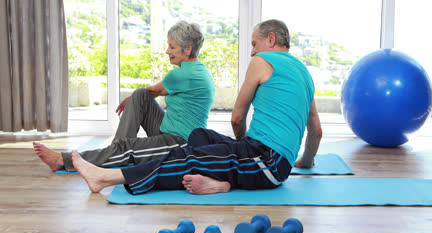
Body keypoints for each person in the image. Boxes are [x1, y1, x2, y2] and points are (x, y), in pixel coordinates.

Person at [71, 19, 322, 195]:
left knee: (187, 156)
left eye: (254, 44)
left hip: (263, 160)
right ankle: (220, 183)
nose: (252, 52)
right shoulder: (306, 75)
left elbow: (237, 117)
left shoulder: (263, 60)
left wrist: (241, 147)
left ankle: (107, 177)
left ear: (270, 39)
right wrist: (305, 162)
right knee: (199, 136)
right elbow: (316, 131)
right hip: (273, 162)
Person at [34, 21, 215, 172]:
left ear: (188, 48)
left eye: (172, 47)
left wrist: (131, 100)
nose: (167, 51)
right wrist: (134, 98)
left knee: (129, 141)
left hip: (181, 144)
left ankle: (64, 160)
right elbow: (148, 93)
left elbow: (156, 90)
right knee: (140, 94)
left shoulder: (183, 74)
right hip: (168, 130)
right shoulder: (197, 70)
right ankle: (116, 152)